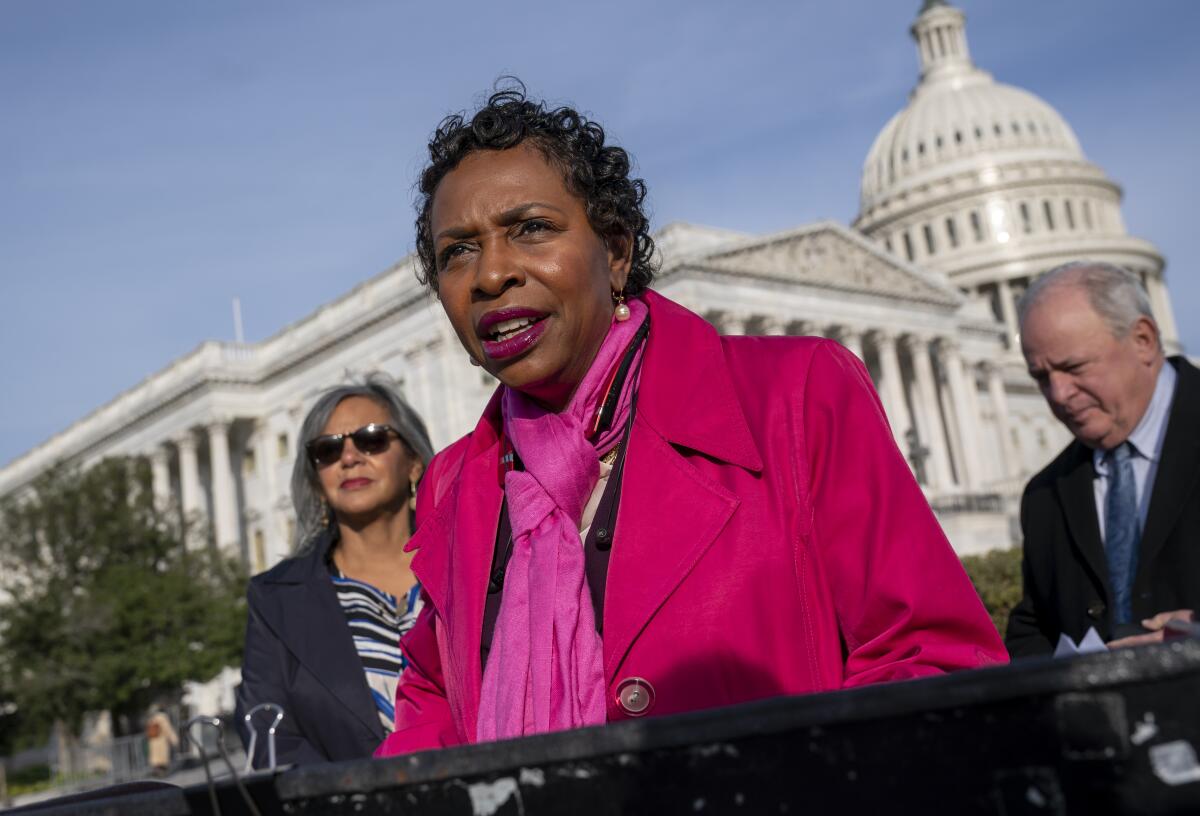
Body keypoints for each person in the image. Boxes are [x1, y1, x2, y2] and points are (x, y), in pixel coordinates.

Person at [375, 84, 1005, 757]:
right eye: (457, 253)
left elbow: (929, 664)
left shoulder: (795, 396)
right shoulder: (456, 481)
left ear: (615, 251)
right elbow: (435, 702)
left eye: (531, 228)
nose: (491, 273)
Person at [235, 376, 435, 766]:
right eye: (327, 450)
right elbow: (270, 737)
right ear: (316, 481)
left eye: (371, 439)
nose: (349, 458)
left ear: (413, 461)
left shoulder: (474, 560)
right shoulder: (277, 599)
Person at [1006, 262, 1199, 657]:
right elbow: (1035, 631)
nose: (1058, 394)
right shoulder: (1045, 495)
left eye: (1074, 367)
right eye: (1041, 377)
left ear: (1143, 340)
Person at [145, 707, 178, 777]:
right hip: (161, 741)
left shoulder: (151, 718)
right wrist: (174, 739)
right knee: (162, 759)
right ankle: (162, 773)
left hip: (153, 742)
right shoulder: (162, 718)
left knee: (156, 760)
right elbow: (168, 729)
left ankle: (158, 772)